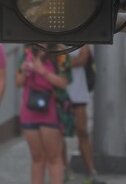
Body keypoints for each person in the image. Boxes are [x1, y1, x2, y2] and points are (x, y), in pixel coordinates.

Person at [15, 45, 70, 184]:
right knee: (37, 158)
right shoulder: (27, 51)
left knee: (54, 157)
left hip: (51, 110)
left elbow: (63, 83)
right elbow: (18, 82)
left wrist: (42, 71)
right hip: (29, 110)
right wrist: (24, 71)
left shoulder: (61, 52)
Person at [64, 45, 104, 184]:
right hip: (60, 92)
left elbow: (82, 58)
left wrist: (64, 62)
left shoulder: (83, 36)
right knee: (60, 134)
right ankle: (65, 171)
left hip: (79, 92)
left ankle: (91, 172)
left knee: (83, 132)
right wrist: (71, 61)